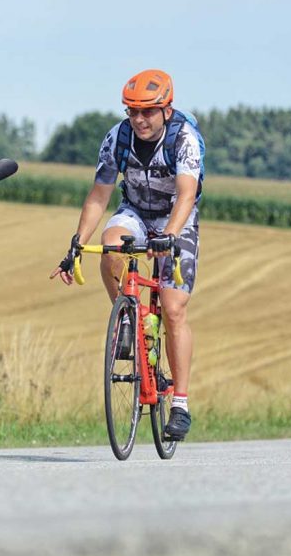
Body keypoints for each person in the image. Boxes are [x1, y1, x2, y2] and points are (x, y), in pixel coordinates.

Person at [49, 69, 204, 441]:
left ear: (166, 110)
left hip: (175, 216)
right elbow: (99, 194)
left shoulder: (185, 138)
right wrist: (76, 243)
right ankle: (127, 319)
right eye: (132, 111)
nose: (138, 119)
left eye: (147, 112)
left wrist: (168, 236)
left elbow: (186, 194)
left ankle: (179, 404)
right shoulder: (117, 138)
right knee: (111, 245)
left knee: (173, 308)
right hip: (134, 209)